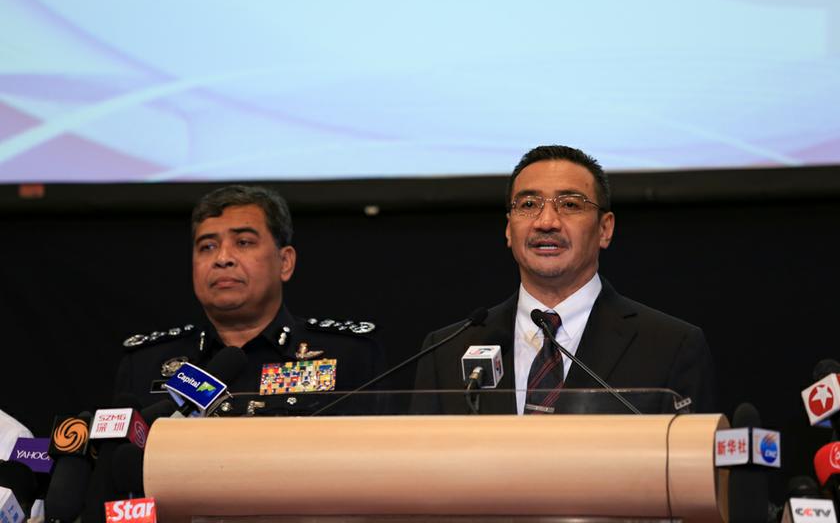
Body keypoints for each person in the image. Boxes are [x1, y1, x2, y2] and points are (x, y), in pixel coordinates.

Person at [413, 146, 716, 414]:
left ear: (605, 229)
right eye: (528, 205)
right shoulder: (447, 351)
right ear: (508, 229)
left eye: (570, 204)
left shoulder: (669, 346)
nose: (546, 222)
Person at [115, 185, 384, 415]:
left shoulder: (348, 355)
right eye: (207, 246)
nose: (222, 258)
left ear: (285, 262)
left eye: (243, 242)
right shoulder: (145, 364)